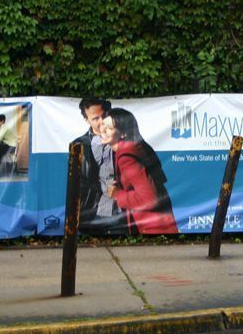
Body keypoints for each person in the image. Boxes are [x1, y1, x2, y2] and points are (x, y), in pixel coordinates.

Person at [101, 108, 178, 234]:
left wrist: (118, 195)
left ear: (123, 134)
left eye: (109, 128)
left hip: (153, 226)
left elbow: (149, 199)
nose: (102, 130)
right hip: (161, 222)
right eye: (103, 124)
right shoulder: (138, 147)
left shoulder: (127, 158)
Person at [70, 98, 128, 236]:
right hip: (92, 215)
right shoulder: (79, 145)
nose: (101, 121)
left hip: (123, 213)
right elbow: (77, 183)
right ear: (86, 120)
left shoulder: (125, 141)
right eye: (95, 118)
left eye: (104, 116)